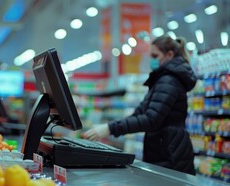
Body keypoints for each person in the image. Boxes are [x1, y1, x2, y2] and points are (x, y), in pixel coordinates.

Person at [83, 35, 197, 175]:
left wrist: (109, 128)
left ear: (169, 55)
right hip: (165, 149)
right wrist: (109, 126)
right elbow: (140, 113)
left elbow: (151, 119)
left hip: (171, 153)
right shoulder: (161, 79)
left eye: (155, 56)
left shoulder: (169, 80)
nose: (151, 60)